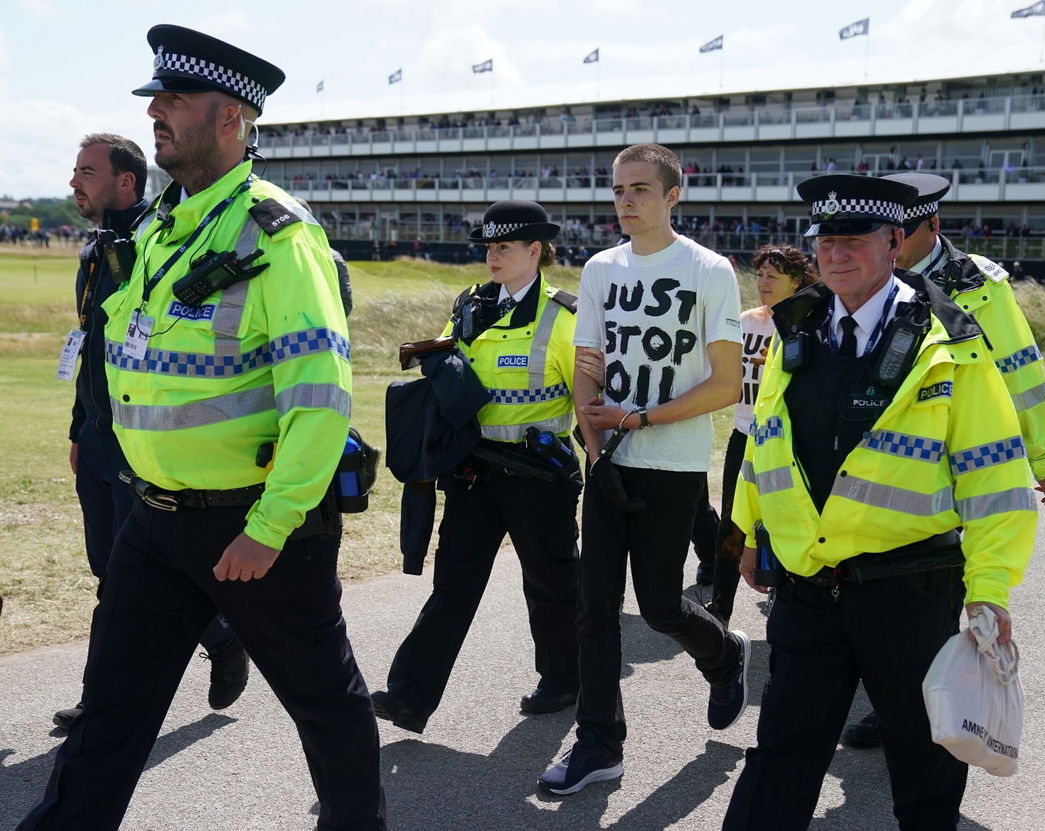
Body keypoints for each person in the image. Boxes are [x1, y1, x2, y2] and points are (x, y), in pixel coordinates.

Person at [19, 25, 385, 830]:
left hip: (253, 530)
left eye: (176, 100)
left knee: (326, 706)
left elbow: (320, 397)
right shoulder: (157, 227)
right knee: (109, 713)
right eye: (156, 98)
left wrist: (270, 526)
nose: (157, 112)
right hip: (151, 518)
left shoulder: (280, 236)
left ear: (232, 119)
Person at [723, 174, 1038, 830]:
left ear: (895, 241)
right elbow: (767, 439)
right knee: (781, 752)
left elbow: (994, 474)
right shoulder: (798, 324)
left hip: (909, 588)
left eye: (855, 239)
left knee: (924, 765)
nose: (837, 253)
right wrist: (749, 531)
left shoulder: (951, 338)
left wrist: (990, 586)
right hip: (808, 587)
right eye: (827, 239)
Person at [537, 143, 749, 796]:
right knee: (593, 609)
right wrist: (597, 447)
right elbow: (588, 364)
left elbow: (725, 382)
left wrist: (640, 420)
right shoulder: (601, 269)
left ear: (671, 197)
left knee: (659, 606)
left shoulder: (710, 270)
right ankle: (599, 742)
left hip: (672, 464)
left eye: (639, 190)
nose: (625, 201)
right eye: (618, 191)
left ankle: (725, 652)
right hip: (609, 462)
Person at [838, 171, 1045, 750]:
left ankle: (919, 705)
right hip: (890, 459)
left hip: (963, 453)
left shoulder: (980, 286)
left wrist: (1044, 453)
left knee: (937, 583)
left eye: (900, 231)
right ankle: (897, 698)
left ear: (931, 227)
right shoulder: (868, 283)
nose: (889, 242)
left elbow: (1020, 371)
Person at [54, 134, 250, 731]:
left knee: (127, 580)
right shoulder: (97, 252)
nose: (74, 183)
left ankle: (103, 705)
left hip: (144, 442)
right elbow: (93, 350)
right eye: (74, 171)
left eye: (86, 171)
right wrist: (79, 428)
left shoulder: (155, 245)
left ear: (126, 183)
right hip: (98, 438)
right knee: (107, 571)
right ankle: (220, 636)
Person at [371, 200, 582, 732]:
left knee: (551, 586)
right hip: (475, 471)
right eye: (488, 246)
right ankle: (409, 699)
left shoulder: (565, 316)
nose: (493, 255)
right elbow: (452, 365)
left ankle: (562, 681)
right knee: (453, 587)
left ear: (535, 251)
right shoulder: (468, 303)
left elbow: (588, 399)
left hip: (540, 475)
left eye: (503, 246)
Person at [705, 245, 817, 627]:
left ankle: (790, 600)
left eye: (774, 276)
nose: (763, 283)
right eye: (761, 275)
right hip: (742, 435)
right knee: (732, 524)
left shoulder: (809, 323)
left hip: (786, 443)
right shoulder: (744, 322)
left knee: (784, 520)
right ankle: (720, 607)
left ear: (797, 281)